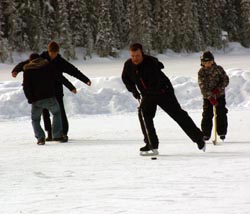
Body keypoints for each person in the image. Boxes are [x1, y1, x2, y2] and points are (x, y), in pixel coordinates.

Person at [122, 43, 206, 155]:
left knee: (178, 114)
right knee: (144, 114)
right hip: (148, 94)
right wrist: (134, 91)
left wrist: (145, 95)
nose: (135, 58)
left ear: (142, 53)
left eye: (137, 55)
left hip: (163, 92)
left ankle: (199, 138)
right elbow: (125, 79)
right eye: (132, 56)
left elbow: (154, 83)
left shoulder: (151, 63)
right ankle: (151, 144)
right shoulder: (128, 65)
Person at [12, 41, 91, 142]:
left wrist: (85, 80)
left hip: (56, 91)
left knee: (60, 112)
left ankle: (63, 132)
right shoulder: (41, 58)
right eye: (51, 53)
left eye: (55, 53)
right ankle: (50, 133)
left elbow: (73, 70)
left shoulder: (60, 61)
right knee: (45, 113)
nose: (53, 55)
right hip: (45, 91)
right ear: (48, 51)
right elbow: (26, 63)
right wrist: (16, 70)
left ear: (58, 52)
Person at [22, 53, 63, 145]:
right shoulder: (47, 66)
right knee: (56, 113)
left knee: (35, 119)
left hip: (36, 99)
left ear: (30, 60)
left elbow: (26, 87)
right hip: (50, 97)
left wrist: (30, 99)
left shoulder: (28, 70)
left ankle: (40, 137)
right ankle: (57, 135)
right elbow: (56, 77)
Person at [198, 51, 229, 141]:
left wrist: (218, 89)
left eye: (209, 62)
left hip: (219, 96)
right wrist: (210, 97)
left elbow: (225, 80)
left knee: (221, 113)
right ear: (202, 63)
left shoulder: (219, 69)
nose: (207, 64)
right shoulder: (201, 72)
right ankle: (206, 134)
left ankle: (222, 132)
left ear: (213, 61)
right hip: (208, 98)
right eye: (205, 62)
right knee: (207, 114)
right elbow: (202, 86)